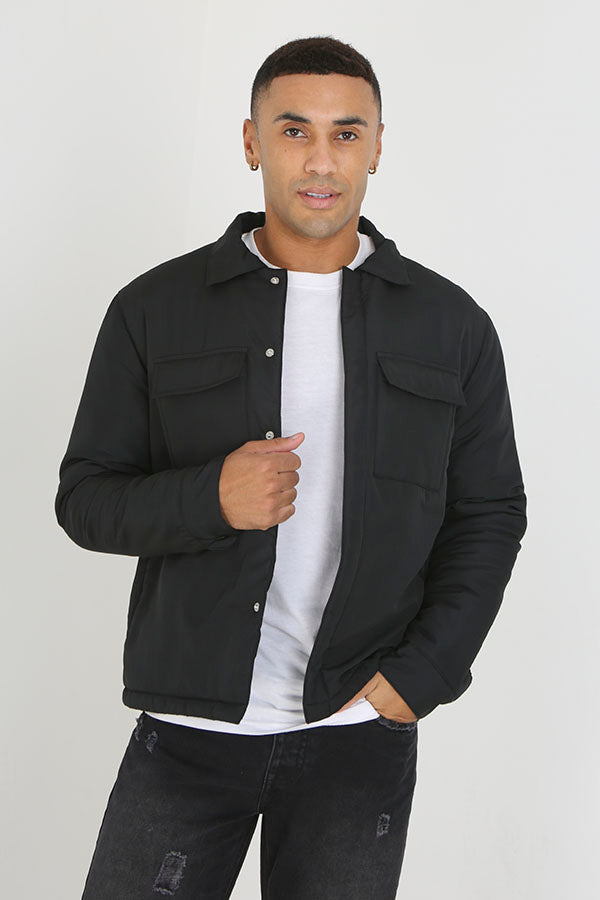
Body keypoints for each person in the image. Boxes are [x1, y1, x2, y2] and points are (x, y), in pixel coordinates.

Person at [55, 35, 527, 900]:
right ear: (251, 142)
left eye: (346, 134)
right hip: (188, 731)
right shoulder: (154, 309)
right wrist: (211, 497)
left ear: (377, 147)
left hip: (359, 732)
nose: (320, 160)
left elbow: (490, 512)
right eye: (294, 130)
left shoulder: (451, 325)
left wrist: (422, 676)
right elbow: (85, 499)